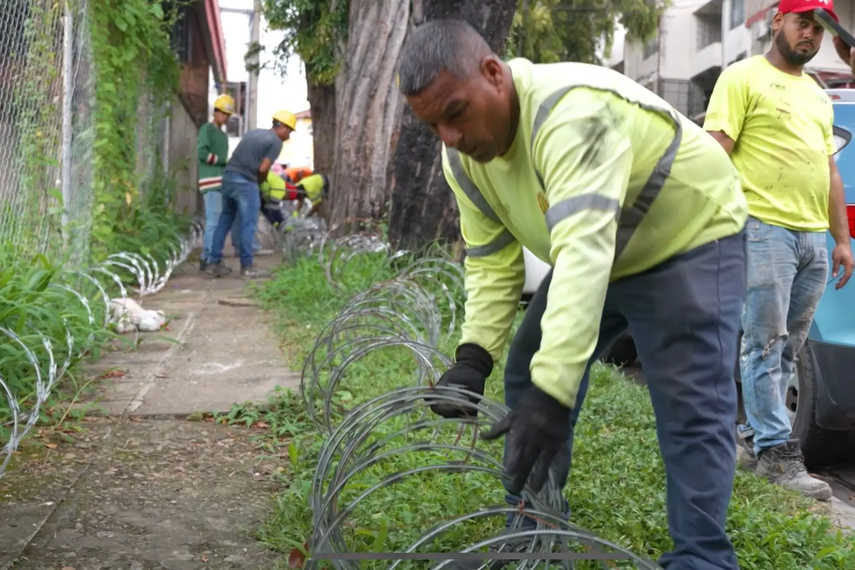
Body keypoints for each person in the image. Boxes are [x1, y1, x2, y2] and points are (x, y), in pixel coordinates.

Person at [398, 19, 749, 569]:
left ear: (494, 74)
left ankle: (702, 558)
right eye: (433, 125)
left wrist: (554, 395)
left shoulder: (570, 112)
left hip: (688, 232)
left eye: (456, 112)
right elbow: (491, 258)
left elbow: (583, 253)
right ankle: (533, 528)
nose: (449, 137)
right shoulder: (461, 159)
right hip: (604, 245)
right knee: (527, 372)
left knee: (691, 405)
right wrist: (472, 358)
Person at [703, 0, 853, 502]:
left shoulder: (818, 95)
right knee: (764, 343)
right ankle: (776, 454)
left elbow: (829, 170)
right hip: (763, 228)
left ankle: (754, 440)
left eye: (817, 28)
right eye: (802, 23)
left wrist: (843, 240)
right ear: (778, 22)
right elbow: (714, 152)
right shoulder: (741, 78)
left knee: (788, 346)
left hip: (813, 236)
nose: (810, 35)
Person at [206, 110, 296, 278]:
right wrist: (259, 182)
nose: (288, 136)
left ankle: (214, 262)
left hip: (229, 177)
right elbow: (262, 168)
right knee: (248, 224)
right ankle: (247, 266)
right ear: (282, 127)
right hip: (246, 182)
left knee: (225, 220)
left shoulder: (254, 133)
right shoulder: (276, 142)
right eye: (289, 131)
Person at [197, 94, 239, 274]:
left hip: (220, 182)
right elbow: (201, 152)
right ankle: (208, 259)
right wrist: (222, 160)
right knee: (214, 222)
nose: (226, 117)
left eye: (228, 115)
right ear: (216, 112)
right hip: (210, 180)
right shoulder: (207, 129)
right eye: (224, 113)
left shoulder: (223, 135)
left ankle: (211, 258)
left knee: (218, 221)